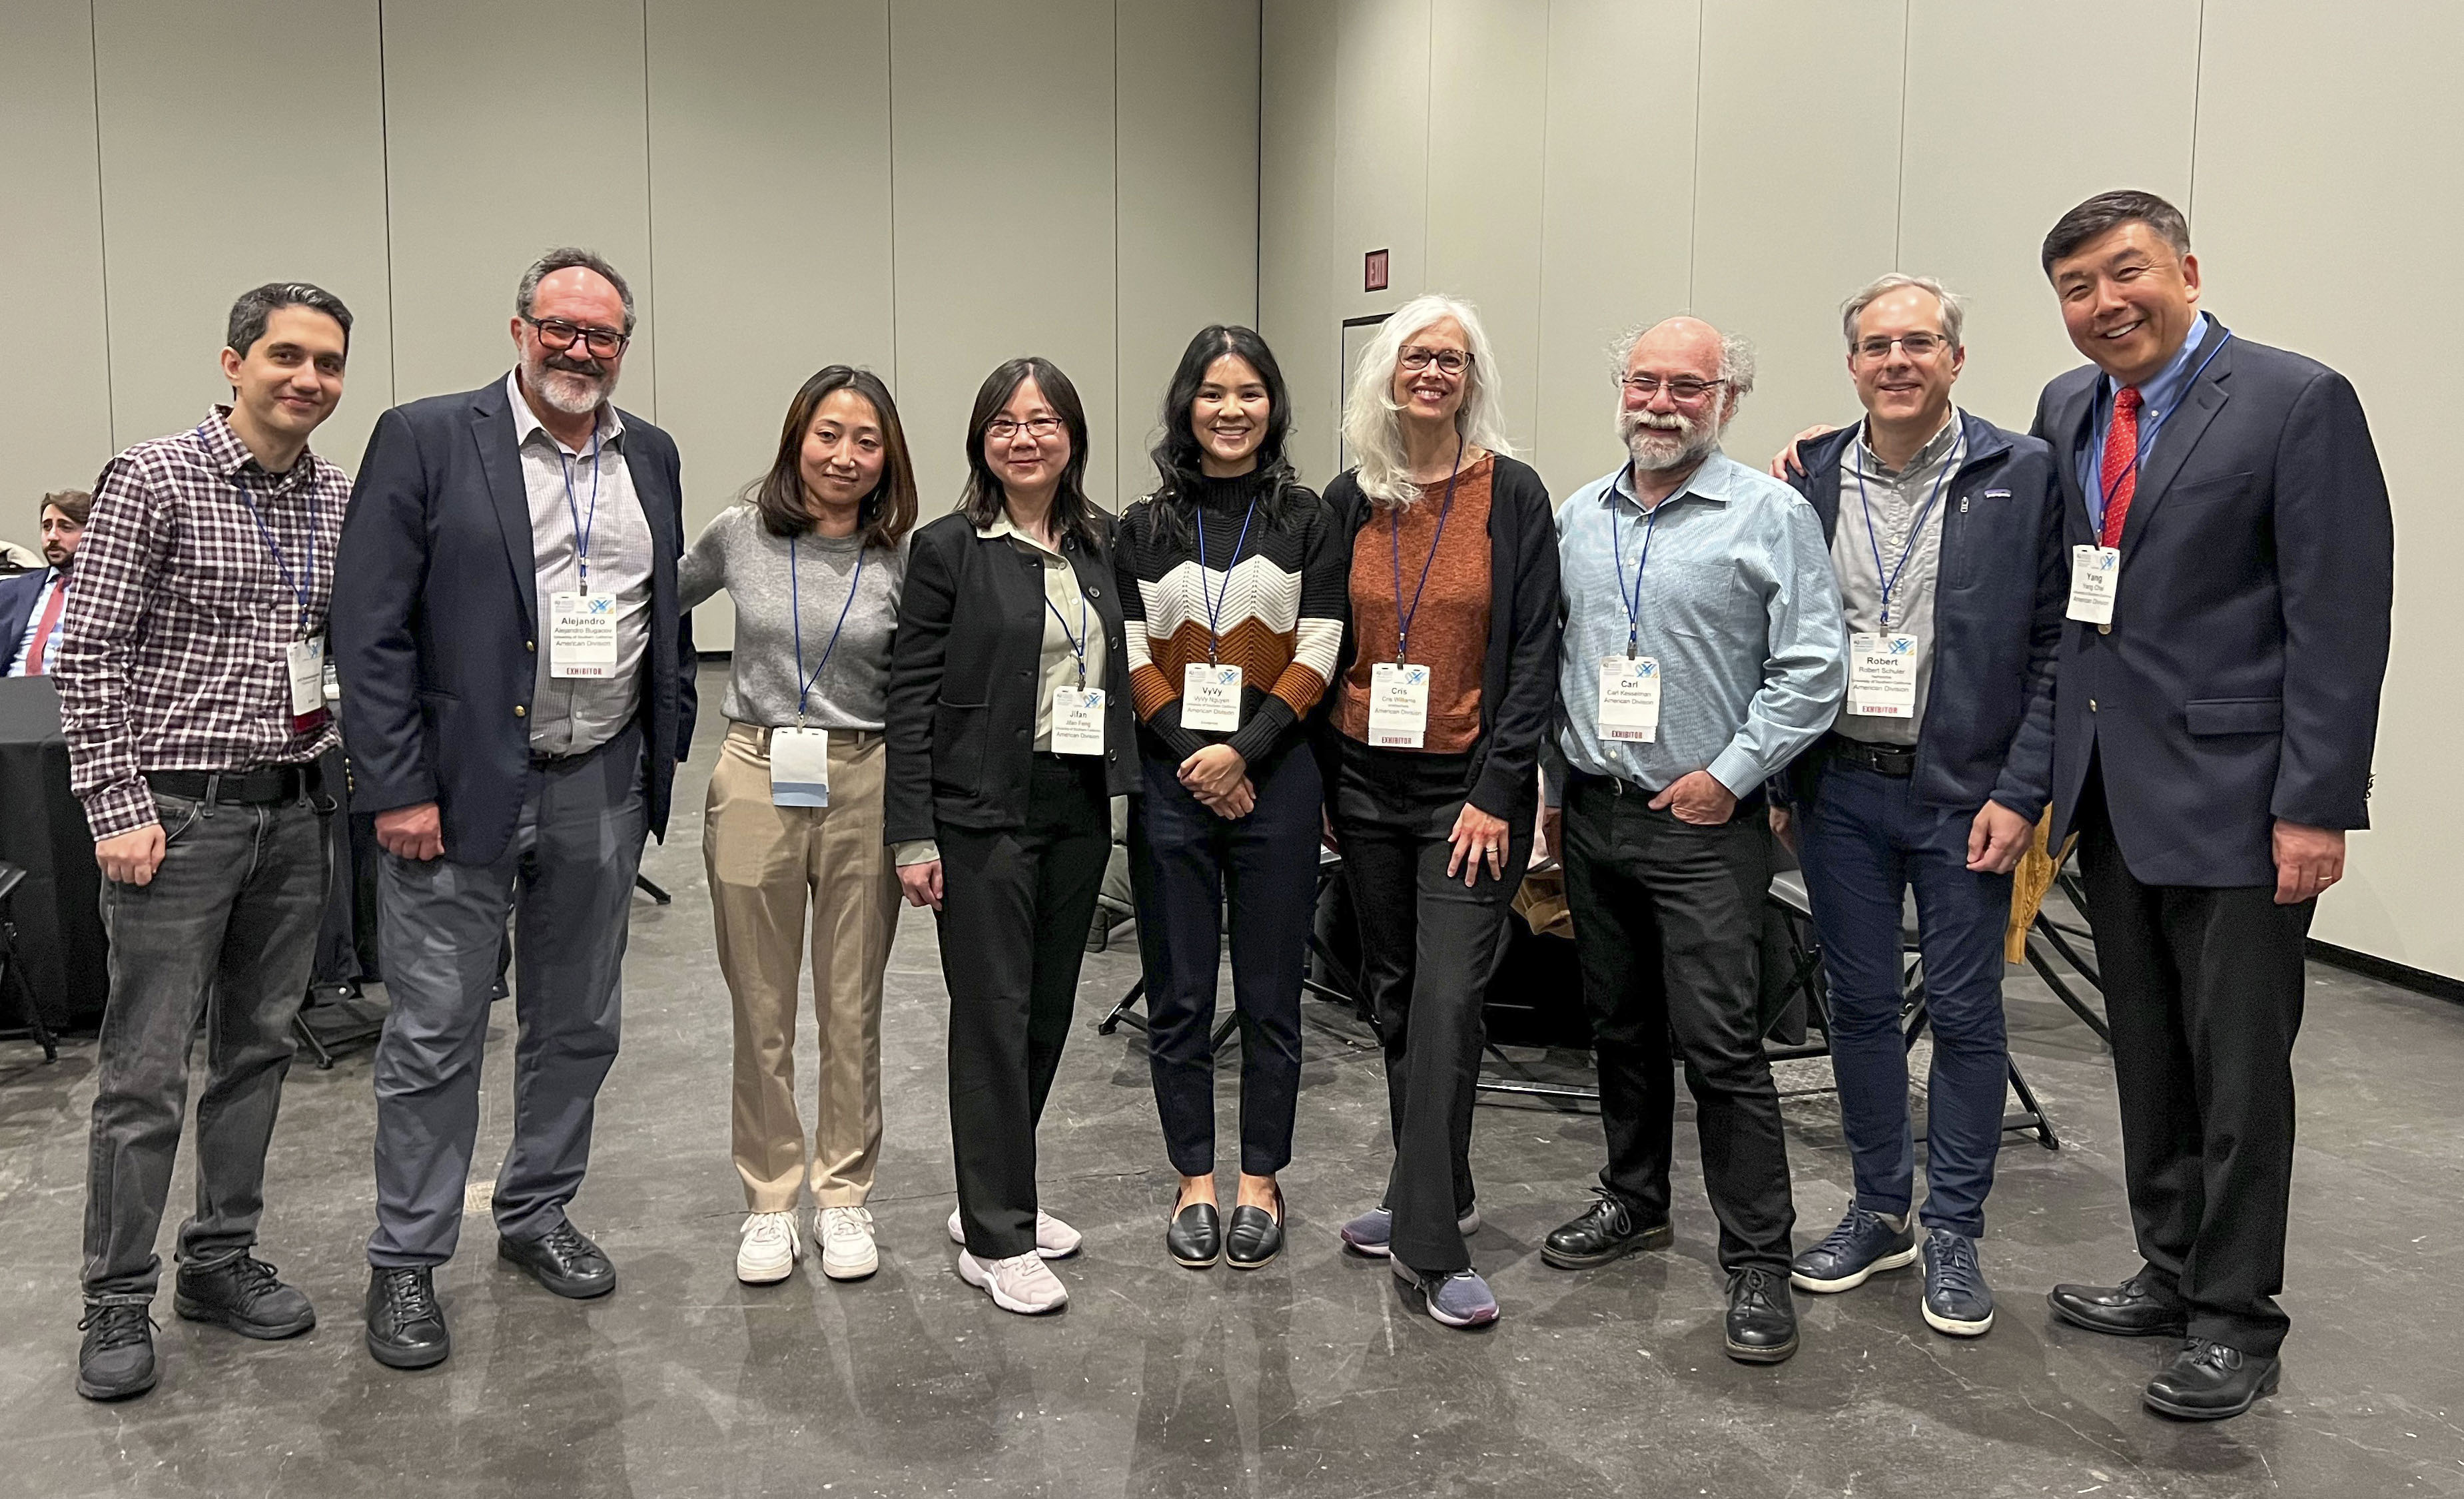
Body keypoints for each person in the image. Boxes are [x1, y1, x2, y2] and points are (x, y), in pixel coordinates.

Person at [2028, 191, 2393, 1420]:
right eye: (2075, 287)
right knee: (2145, 1051)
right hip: (2110, 794)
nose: (2102, 303)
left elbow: (2336, 620)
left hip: (2241, 804)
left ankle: (2235, 1318)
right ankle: (2169, 1266)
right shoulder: (2068, 406)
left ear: (2185, 270)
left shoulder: (2295, 400)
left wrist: (2314, 805)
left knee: (2236, 1073)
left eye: (2123, 272)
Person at [335, 247, 697, 1370]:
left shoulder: (651, 453)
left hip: (601, 778)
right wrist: (397, 786)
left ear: (623, 346)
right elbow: (370, 628)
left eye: (602, 334)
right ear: (519, 330)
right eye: (560, 328)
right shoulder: (426, 437)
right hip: (456, 791)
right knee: (437, 1029)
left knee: (578, 1021)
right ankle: (406, 1256)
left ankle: (535, 1209)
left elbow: (660, 612)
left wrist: (660, 752)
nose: (580, 350)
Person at [53, 283, 354, 1401]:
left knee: (257, 1052)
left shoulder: (338, 496)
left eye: (328, 363)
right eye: (286, 355)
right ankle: (114, 1297)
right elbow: (89, 653)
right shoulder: (153, 477)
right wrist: (114, 805)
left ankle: (218, 1260)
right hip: (176, 816)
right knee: (143, 1073)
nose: (308, 379)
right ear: (233, 363)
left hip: (294, 810)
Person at [1537, 316, 1843, 1364]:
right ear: (1620, 389)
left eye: (1687, 386)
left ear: (1726, 400)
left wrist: (1730, 774)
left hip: (1703, 821)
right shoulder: (1578, 516)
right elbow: (1558, 662)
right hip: (1594, 812)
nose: (1660, 404)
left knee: (1718, 1044)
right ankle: (1633, 1198)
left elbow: (1812, 667)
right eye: (1644, 382)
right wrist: (1555, 788)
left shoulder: (1770, 514)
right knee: (1616, 1025)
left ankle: (1756, 1254)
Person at [1763, 275, 2064, 1340]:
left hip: (1965, 797)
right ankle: (1878, 1209)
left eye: (1919, 342)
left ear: (1954, 359)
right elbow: (1773, 630)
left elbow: (2052, 650)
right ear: (1850, 364)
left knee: (1965, 1013)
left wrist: (2020, 792)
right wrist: (1777, 781)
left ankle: (1953, 1231)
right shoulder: (1806, 477)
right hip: (1838, 787)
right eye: (1877, 345)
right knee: (1855, 1007)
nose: (1897, 360)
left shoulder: (2022, 472)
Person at [1320, 294, 1559, 1329]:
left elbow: (1534, 651)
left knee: (1450, 1000)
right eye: (1415, 356)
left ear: (1471, 378)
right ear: (1386, 370)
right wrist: (1324, 785)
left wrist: (1501, 790)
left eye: (1450, 360)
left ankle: (1429, 1241)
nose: (1431, 373)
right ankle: (1435, 1185)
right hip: (1365, 784)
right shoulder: (1350, 497)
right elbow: (1326, 643)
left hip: (1469, 793)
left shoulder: (1512, 494)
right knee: (1394, 997)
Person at [885, 356, 1134, 1316]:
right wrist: (913, 832)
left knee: (1046, 1010)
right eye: (1004, 422)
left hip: (1076, 803)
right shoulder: (949, 547)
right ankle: (995, 1237)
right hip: (979, 809)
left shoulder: (1101, 541)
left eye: (1043, 420)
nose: (1024, 438)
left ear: (1072, 435)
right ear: (981, 440)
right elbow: (911, 696)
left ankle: (993, 1190)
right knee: (991, 1012)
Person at [679, 366, 915, 1287]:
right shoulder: (739, 533)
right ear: (796, 439)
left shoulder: (902, 557)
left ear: (887, 457)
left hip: (865, 775)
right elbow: (652, 603)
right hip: (756, 770)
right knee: (761, 1003)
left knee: (851, 1004)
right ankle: (770, 1199)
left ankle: (844, 1191)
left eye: (866, 440)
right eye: (828, 434)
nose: (845, 455)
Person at [1115, 326, 1342, 1272]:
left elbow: (1320, 646)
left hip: (1278, 779)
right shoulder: (1142, 526)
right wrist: (1196, 754)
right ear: (1186, 406)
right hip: (1172, 782)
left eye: (1248, 392)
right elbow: (1131, 653)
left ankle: (1260, 1178)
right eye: (1212, 393)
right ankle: (1193, 1178)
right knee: (1177, 993)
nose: (1230, 410)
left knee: (1268, 996)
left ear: (1272, 407)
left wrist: (1243, 751)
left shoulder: (1307, 518)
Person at [2, 491, 92, 675]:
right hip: (12, 688)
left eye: (65, 528)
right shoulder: (10, 591)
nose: (52, 537)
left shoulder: (108, 593)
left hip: (72, 688)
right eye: (46, 527)